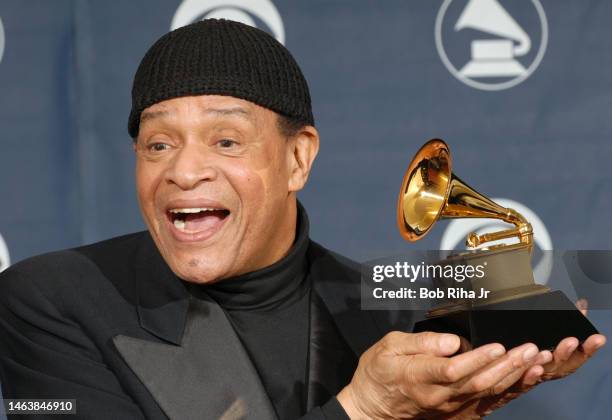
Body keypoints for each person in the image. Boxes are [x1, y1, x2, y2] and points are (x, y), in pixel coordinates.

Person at [0, 19, 605, 420]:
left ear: (298, 157)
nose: (183, 172)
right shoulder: (53, 299)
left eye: (226, 141)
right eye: (158, 144)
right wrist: (363, 410)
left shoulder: (391, 309)